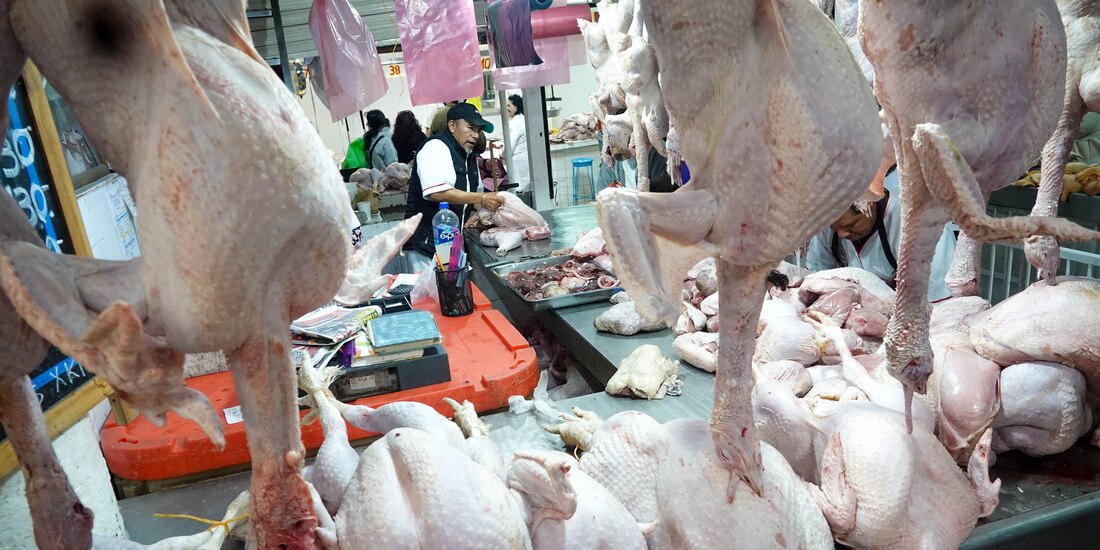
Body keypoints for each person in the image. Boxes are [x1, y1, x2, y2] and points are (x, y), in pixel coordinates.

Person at [806, 166, 957, 302]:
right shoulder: (829, 223)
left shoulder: (915, 224)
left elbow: (939, 302)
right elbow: (814, 279)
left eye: (849, 225)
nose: (841, 234)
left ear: (869, 204)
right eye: (834, 228)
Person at [400, 103, 505, 272]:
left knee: (452, 293)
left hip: (450, 243)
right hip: (425, 246)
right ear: (452, 125)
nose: (475, 135)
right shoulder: (435, 147)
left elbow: (469, 196)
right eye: (470, 127)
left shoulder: (467, 155)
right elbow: (437, 192)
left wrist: (484, 210)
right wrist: (483, 198)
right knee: (432, 296)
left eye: (478, 130)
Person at [506, 94, 529, 193]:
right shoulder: (523, 119)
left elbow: (509, 146)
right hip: (525, 160)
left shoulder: (515, 122)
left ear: (516, 107)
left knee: (518, 190)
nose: (506, 108)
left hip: (519, 161)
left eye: (509, 106)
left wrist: (501, 154)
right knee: (525, 188)